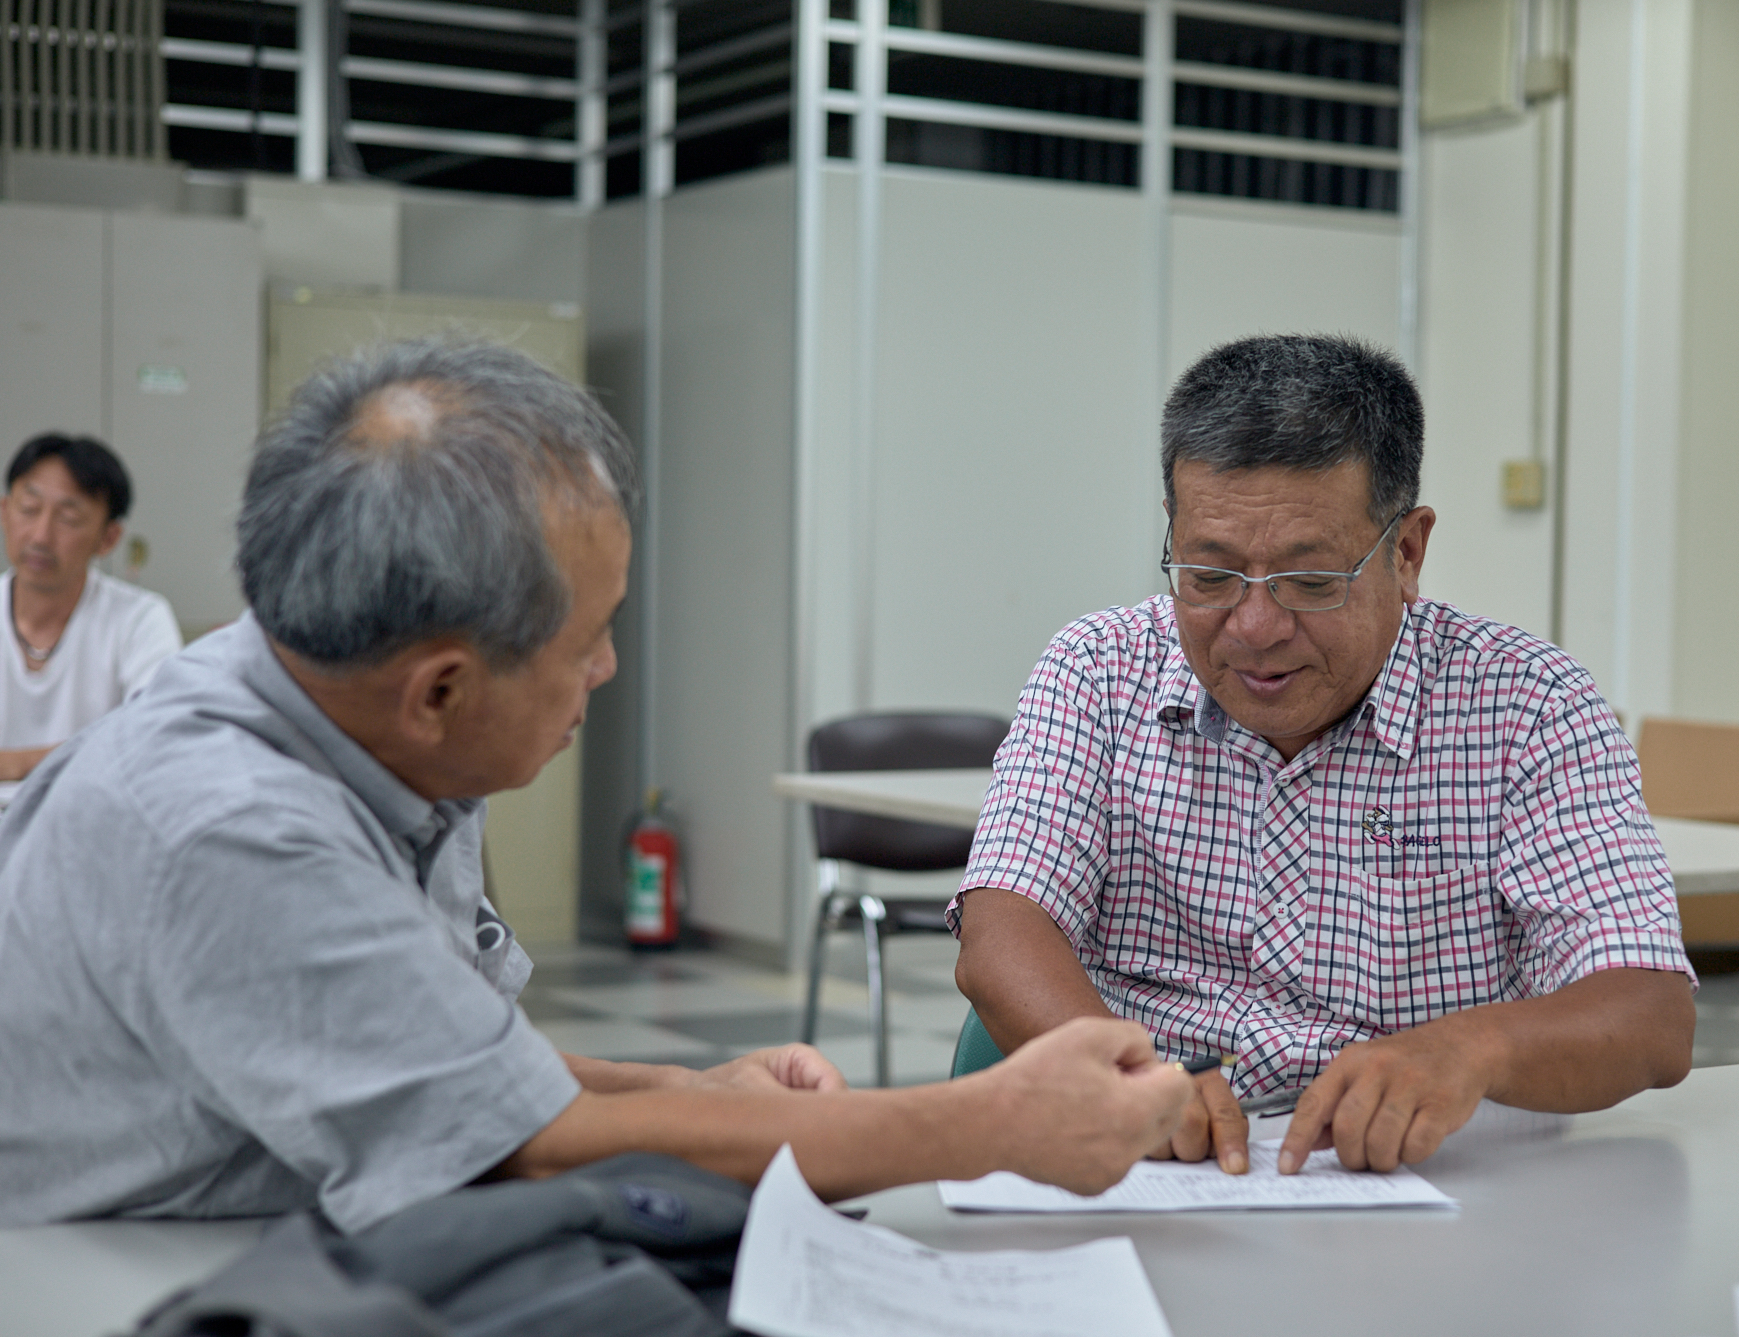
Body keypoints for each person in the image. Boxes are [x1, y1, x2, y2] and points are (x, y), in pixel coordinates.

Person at [0, 338, 1190, 1234]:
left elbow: (427, 1058)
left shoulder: (366, 717)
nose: (606, 672)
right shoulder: (227, 826)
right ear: (443, 685)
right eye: (589, 641)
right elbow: (530, 1150)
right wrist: (989, 1125)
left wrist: (681, 1085)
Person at [951, 334, 1696, 1182]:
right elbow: (1002, 929)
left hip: (1419, 1180)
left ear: (1407, 554)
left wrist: (1471, 1048)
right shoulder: (1098, 669)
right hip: (1148, 1158)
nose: (1256, 625)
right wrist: (1131, 1081)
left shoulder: (1527, 705)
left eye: (1310, 581)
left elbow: (1649, 1013)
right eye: (1210, 573)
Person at [0, 434, 182, 781]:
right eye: (28, 509)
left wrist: (13, 764)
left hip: (91, 824)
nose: (40, 535)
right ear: (5, 513)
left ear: (108, 538)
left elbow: (157, 738)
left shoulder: (140, 619)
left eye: (68, 518)